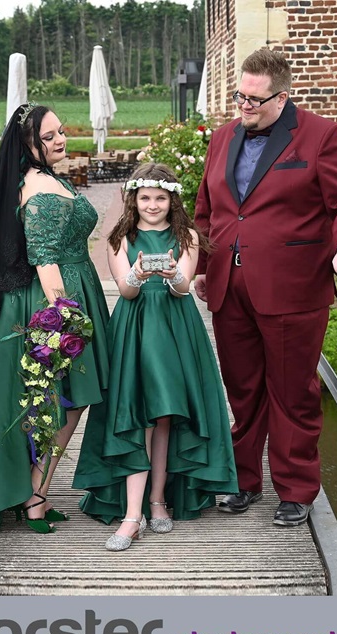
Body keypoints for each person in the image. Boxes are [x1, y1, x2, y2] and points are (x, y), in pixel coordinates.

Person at [194, 48, 337, 527]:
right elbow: (208, 207)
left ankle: (295, 490)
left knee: (293, 392)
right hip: (229, 288)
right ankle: (245, 481)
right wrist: (203, 265)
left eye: (254, 100)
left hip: (293, 288)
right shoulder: (223, 136)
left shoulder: (321, 136)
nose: (244, 107)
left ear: (282, 96)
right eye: (240, 96)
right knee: (243, 389)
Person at [0, 103, 109, 541]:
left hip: (76, 285)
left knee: (66, 398)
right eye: (49, 136)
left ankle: (34, 490)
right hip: (62, 292)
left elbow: (19, 229)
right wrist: (66, 318)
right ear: (28, 144)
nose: (60, 140)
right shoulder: (40, 185)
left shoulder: (41, 178)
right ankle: (35, 495)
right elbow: (45, 258)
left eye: (61, 132)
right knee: (68, 399)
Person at [73, 162, 238, 550]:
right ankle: (132, 516)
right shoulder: (121, 237)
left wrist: (169, 275)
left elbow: (183, 287)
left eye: (160, 198)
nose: (152, 205)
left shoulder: (186, 237)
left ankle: (158, 501)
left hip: (176, 330)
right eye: (145, 198)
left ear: (172, 200)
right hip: (135, 329)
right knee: (138, 415)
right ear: (134, 199)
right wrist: (139, 273)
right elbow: (125, 291)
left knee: (165, 415)